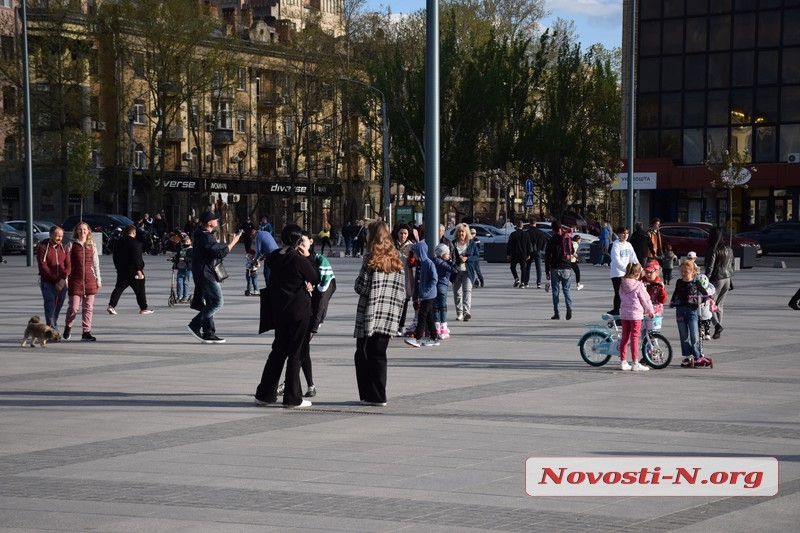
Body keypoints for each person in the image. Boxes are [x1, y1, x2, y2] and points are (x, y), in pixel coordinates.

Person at [253, 225, 319, 408]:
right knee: (296, 354)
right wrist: (307, 256)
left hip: (279, 311)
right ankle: (292, 398)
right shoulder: (298, 259)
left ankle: (264, 394)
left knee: (278, 352)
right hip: (299, 311)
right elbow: (315, 277)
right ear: (298, 241)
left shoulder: (274, 257)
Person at [352, 221, 406, 406]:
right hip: (389, 315)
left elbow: (361, 286)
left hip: (370, 314)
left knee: (363, 353)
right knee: (379, 355)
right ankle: (379, 395)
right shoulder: (397, 259)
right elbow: (401, 292)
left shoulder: (370, 258)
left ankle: (369, 394)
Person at [186, 211, 242, 343]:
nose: (217, 220)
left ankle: (208, 332)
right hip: (207, 275)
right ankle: (195, 324)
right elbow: (220, 253)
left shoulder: (202, 235)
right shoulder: (206, 237)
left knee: (210, 303)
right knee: (217, 302)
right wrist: (234, 242)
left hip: (203, 273)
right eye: (215, 219)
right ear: (209, 223)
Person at [63, 223, 102, 342]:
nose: (83, 231)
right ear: (76, 231)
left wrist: (98, 279)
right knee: (74, 308)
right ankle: (68, 327)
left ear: (88, 231)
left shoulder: (92, 246)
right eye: (80, 229)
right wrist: (65, 279)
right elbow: (65, 264)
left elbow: (96, 264)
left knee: (88, 308)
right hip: (75, 280)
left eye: (85, 229)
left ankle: (86, 332)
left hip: (90, 280)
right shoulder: (70, 245)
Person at [670, 259, 710, 366]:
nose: (683, 274)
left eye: (686, 272)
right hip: (680, 310)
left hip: (692, 311)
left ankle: (697, 355)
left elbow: (705, 294)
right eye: (682, 271)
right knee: (684, 335)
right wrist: (672, 301)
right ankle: (687, 356)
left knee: (694, 335)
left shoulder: (696, 282)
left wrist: (703, 302)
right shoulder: (679, 282)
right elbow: (676, 293)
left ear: (692, 272)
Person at [106, 225, 153, 315]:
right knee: (140, 289)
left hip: (122, 270)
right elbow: (137, 258)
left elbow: (114, 256)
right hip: (133, 271)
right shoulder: (135, 243)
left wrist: (117, 267)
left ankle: (111, 306)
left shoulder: (118, 243)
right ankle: (143, 308)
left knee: (119, 288)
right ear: (134, 232)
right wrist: (139, 269)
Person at [618, 262, 655, 371]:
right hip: (636, 315)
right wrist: (650, 311)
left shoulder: (622, 284)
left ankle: (623, 361)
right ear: (638, 273)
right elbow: (645, 299)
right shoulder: (639, 285)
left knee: (625, 336)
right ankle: (635, 362)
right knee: (634, 337)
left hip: (624, 314)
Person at [404, 241, 440, 348]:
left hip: (429, 295)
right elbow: (417, 282)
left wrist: (427, 290)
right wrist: (416, 296)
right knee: (429, 317)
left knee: (422, 315)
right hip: (423, 295)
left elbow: (434, 279)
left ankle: (417, 338)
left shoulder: (429, 263)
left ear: (420, 252)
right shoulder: (420, 264)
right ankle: (434, 338)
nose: (414, 254)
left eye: (415, 252)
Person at [36, 225, 71, 330]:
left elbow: (68, 265)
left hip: (62, 282)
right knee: (50, 305)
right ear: (50, 235)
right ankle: (52, 330)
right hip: (47, 282)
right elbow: (43, 267)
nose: (59, 238)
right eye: (57, 236)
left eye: (61, 236)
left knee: (58, 306)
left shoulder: (64, 248)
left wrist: (62, 279)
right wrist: (57, 279)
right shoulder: (42, 247)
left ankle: (52, 325)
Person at [705, 227, 733, 339]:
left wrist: (705, 279)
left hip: (717, 279)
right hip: (728, 278)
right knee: (720, 305)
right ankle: (718, 329)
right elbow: (731, 264)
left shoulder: (714, 249)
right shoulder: (728, 248)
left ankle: (717, 325)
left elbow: (710, 267)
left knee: (708, 303)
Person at [544, 220, 574, 320]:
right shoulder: (566, 238)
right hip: (566, 267)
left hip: (555, 268)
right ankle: (569, 306)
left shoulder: (551, 240)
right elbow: (572, 251)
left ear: (552, 229)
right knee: (566, 290)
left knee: (555, 292)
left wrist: (547, 271)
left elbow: (547, 257)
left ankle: (557, 313)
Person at [450, 222, 480, 321]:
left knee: (467, 291)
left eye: (462, 231)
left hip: (468, 271)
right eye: (459, 232)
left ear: (466, 232)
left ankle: (466, 312)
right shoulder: (453, 243)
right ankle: (459, 313)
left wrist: (467, 258)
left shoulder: (471, 243)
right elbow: (449, 256)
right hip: (456, 271)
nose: (461, 234)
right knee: (457, 293)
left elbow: (477, 256)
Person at [393, 223, 417, 336]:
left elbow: (416, 261)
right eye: (401, 233)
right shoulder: (392, 245)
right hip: (394, 275)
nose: (403, 235)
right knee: (394, 303)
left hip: (407, 275)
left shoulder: (411, 246)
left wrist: (413, 260)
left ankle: (400, 326)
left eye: (405, 233)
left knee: (404, 302)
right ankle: (393, 325)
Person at [609, 226, 638, 315]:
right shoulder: (616, 244)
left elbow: (634, 258)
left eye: (627, 233)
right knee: (618, 293)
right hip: (617, 273)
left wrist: (639, 268)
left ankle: (623, 312)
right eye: (623, 233)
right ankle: (616, 312)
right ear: (618, 234)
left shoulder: (628, 245)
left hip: (627, 274)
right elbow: (616, 260)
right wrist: (627, 270)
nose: (625, 235)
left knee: (626, 294)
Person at [433, 243, 458, 340]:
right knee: (443, 307)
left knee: (435, 307)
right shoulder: (443, 263)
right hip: (442, 285)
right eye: (447, 254)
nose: (449, 256)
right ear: (443, 254)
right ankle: (443, 327)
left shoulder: (433, 261)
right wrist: (451, 262)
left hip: (434, 286)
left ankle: (436, 328)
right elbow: (454, 270)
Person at [506, 218, 531, 288]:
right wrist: (528, 254)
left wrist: (508, 254)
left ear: (516, 226)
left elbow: (509, 245)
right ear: (522, 226)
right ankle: (523, 282)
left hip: (515, 253)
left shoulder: (513, 234)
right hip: (523, 254)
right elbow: (528, 245)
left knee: (512, 267)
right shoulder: (526, 234)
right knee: (523, 268)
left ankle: (516, 278)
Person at [525, 220, 549, 288]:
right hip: (538, 251)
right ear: (535, 224)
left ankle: (526, 282)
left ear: (530, 224)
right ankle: (539, 282)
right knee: (538, 268)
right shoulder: (540, 232)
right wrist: (541, 248)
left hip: (530, 251)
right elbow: (545, 240)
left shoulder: (527, 232)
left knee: (528, 266)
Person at [171, 235, 193, 302]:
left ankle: (185, 296)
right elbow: (177, 257)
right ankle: (179, 296)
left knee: (186, 283)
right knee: (179, 283)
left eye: (187, 242)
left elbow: (192, 258)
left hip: (188, 269)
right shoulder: (181, 249)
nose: (186, 243)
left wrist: (184, 259)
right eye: (184, 242)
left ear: (190, 242)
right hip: (180, 268)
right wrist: (173, 260)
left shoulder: (191, 250)